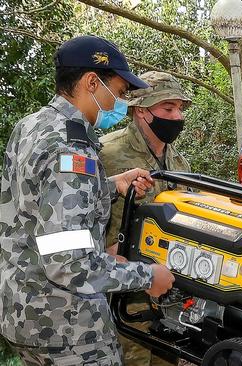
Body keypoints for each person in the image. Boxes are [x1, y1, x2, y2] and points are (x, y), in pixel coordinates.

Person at [0, 35, 175, 366]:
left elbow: (37, 204)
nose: (119, 104)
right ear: (92, 82)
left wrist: (108, 186)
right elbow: (70, 263)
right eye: (120, 93)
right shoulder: (72, 146)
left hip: (21, 313)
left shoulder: (32, 126)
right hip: (68, 328)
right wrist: (148, 276)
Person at [99, 71, 192, 366]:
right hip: (119, 295)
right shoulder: (105, 154)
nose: (177, 116)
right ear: (141, 111)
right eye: (168, 108)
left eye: (180, 108)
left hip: (168, 297)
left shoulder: (180, 163)